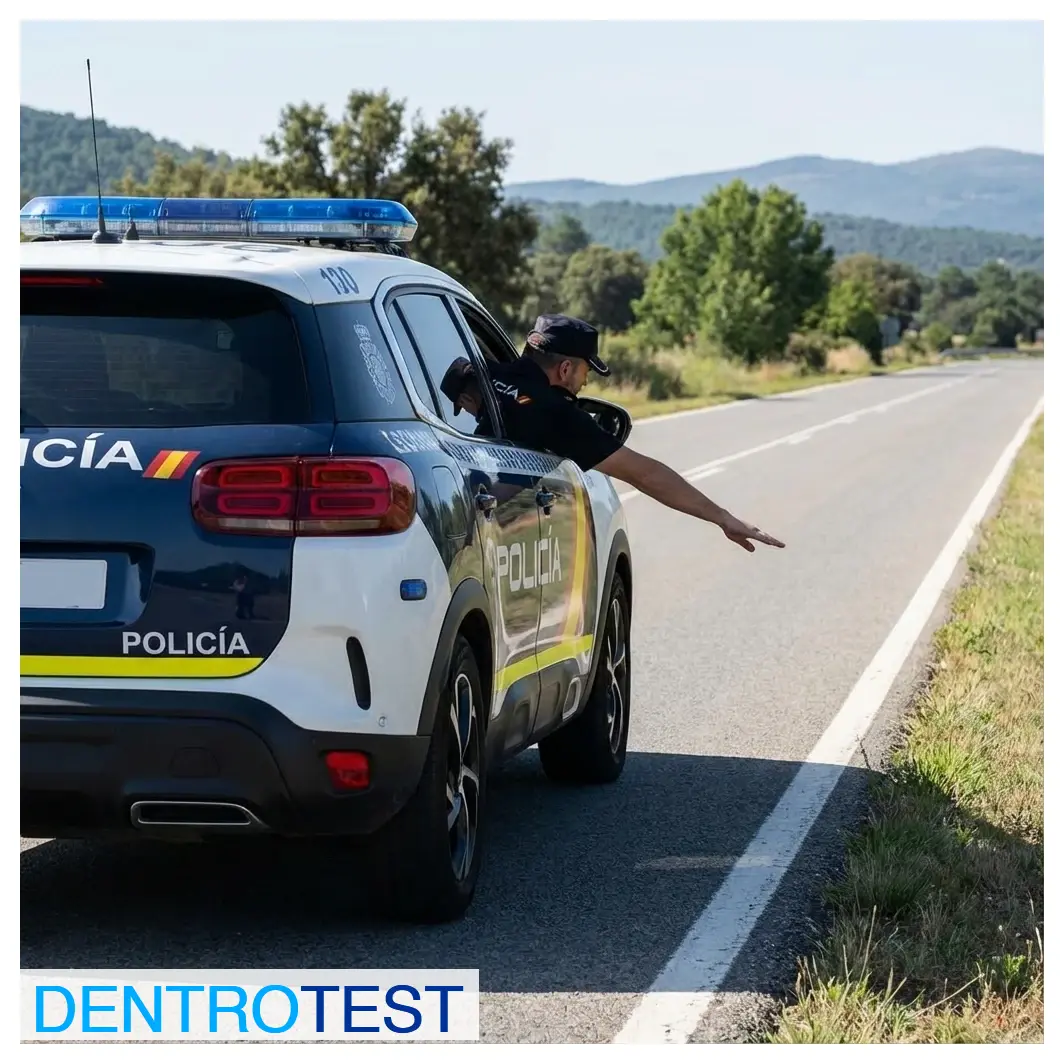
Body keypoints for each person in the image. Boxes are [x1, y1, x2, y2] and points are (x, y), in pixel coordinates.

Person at [440, 314, 785, 553]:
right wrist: (723, 518)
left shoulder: (474, 374)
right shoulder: (556, 414)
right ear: (565, 368)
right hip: (480, 526)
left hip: (448, 506)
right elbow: (644, 474)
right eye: (586, 372)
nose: (585, 383)